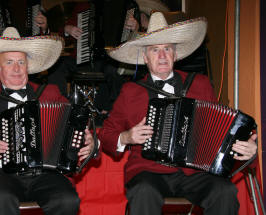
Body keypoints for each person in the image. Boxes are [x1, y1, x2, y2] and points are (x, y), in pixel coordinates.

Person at [98, 12, 258, 215]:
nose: (162, 55)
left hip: (195, 172)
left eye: (167, 49)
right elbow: (106, 134)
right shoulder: (131, 92)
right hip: (149, 170)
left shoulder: (199, 84)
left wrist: (245, 146)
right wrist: (126, 136)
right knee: (143, 191)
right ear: (145, 58)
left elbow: (220, 130)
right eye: (155, 50)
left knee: (224, 191)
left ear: (175, 55)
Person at [0, 27, 96, 215]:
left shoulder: (49, 92)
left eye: (21, 62)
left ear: (28, 66)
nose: (17, 69)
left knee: (67, 200)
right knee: (1, 198)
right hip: (0, 174)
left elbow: (75, 125)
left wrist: (89, 141)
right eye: (9, 62)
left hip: (45, 174)